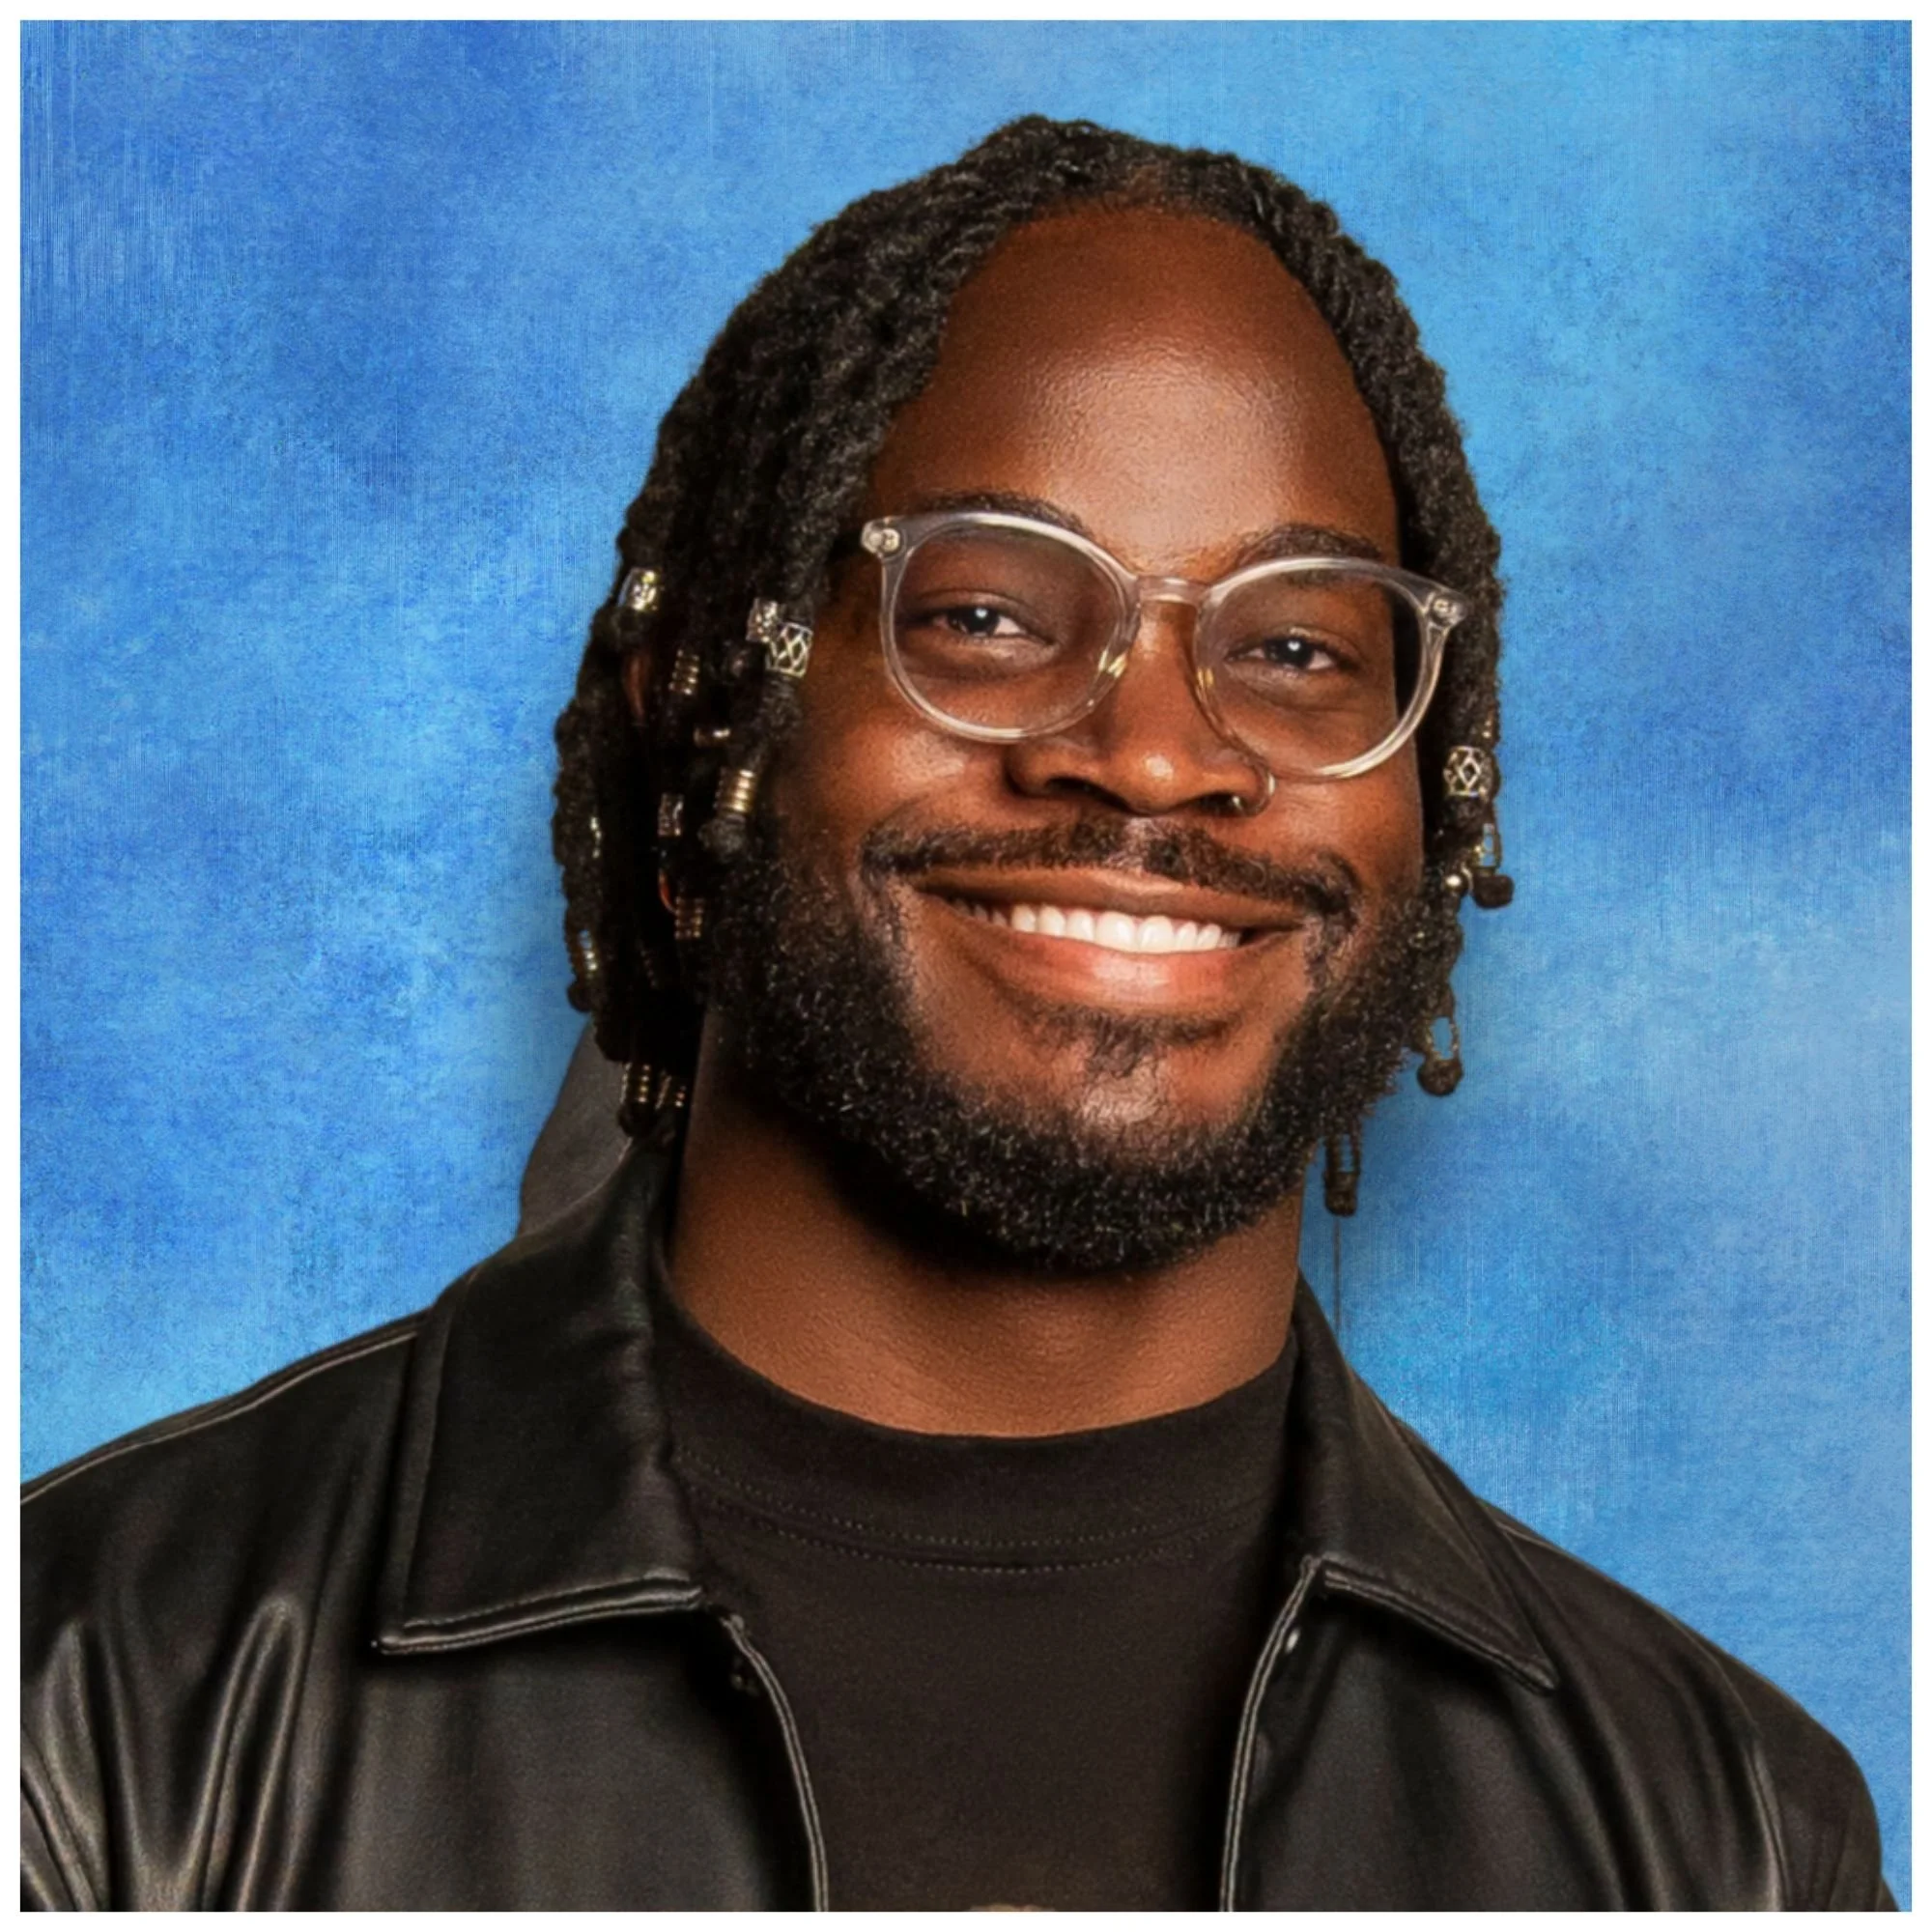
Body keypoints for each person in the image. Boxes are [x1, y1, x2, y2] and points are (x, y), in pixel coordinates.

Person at [20, 116, 1891, 1912]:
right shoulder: (84, 1711)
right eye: (987, 613)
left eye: (1297, 647)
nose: (1156, 752)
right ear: (709, 716)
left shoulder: (1719, 1835)